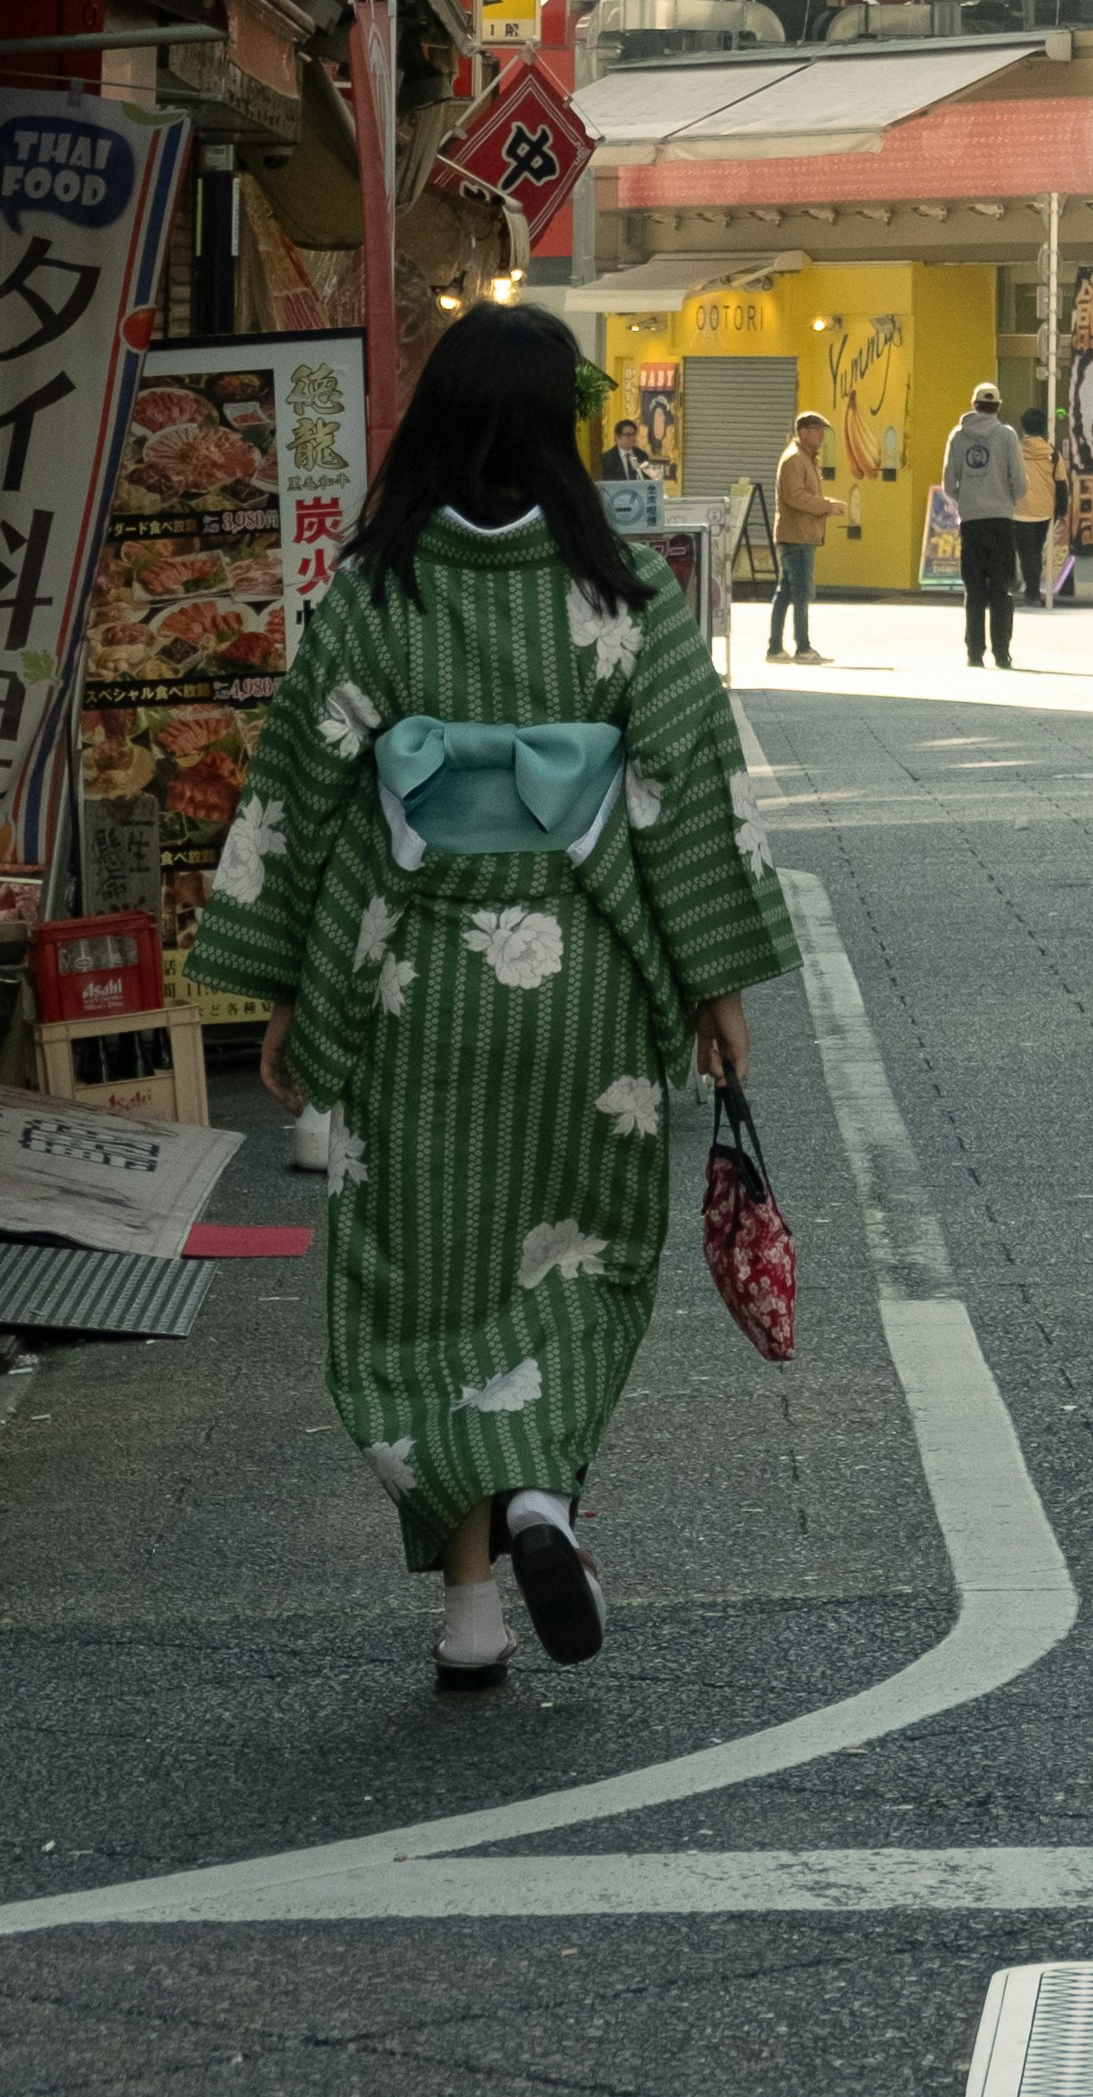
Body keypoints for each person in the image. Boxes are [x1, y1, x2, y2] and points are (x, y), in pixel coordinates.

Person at [183, 305, 790, 1691]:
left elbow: (300, 794)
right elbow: (687, 801)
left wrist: (281, 985)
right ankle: (542, 1501)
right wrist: (717, 986)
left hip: (414, 992)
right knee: (576, 1259)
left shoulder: (372, 595)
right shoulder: (625, 594)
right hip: (585, 990)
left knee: (423, 1283)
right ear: (564, 433)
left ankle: (470, 1611)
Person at [942, 381, 1030, 667]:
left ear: (974, 405)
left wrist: (967, 500)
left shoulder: (958, 436)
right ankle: (1001, 653)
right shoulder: (1006, 435)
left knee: (975, 588)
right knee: (1001, 588)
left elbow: (948, 482)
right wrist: (1006, 499)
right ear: (998, 406)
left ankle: (974, 653)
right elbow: (1018, 479)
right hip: (1001, 520)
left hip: (971, 521)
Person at [765, 409, 838, 664]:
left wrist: (827, 504)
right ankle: (803, 647)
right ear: (803, 432)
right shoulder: (795, 459)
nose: (821, 437)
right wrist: (826, 507)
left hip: (800, 534)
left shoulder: (805, 459)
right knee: (801, 592)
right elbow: (795, 497)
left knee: (786, 591)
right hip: (796, 536)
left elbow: (805, 495)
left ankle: (775, 647)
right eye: (817, 431)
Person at [1015, 402, 1058, 605]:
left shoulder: (1014, 450)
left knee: (1025, 553)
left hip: (1019, 508)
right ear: (1043, 428)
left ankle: (1031, 591)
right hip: (1044, 510)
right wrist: (1063, 510)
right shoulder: (1052, 453)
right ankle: (1033, 590)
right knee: (1036, 550)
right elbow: (1061, 482)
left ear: (1023, 427)